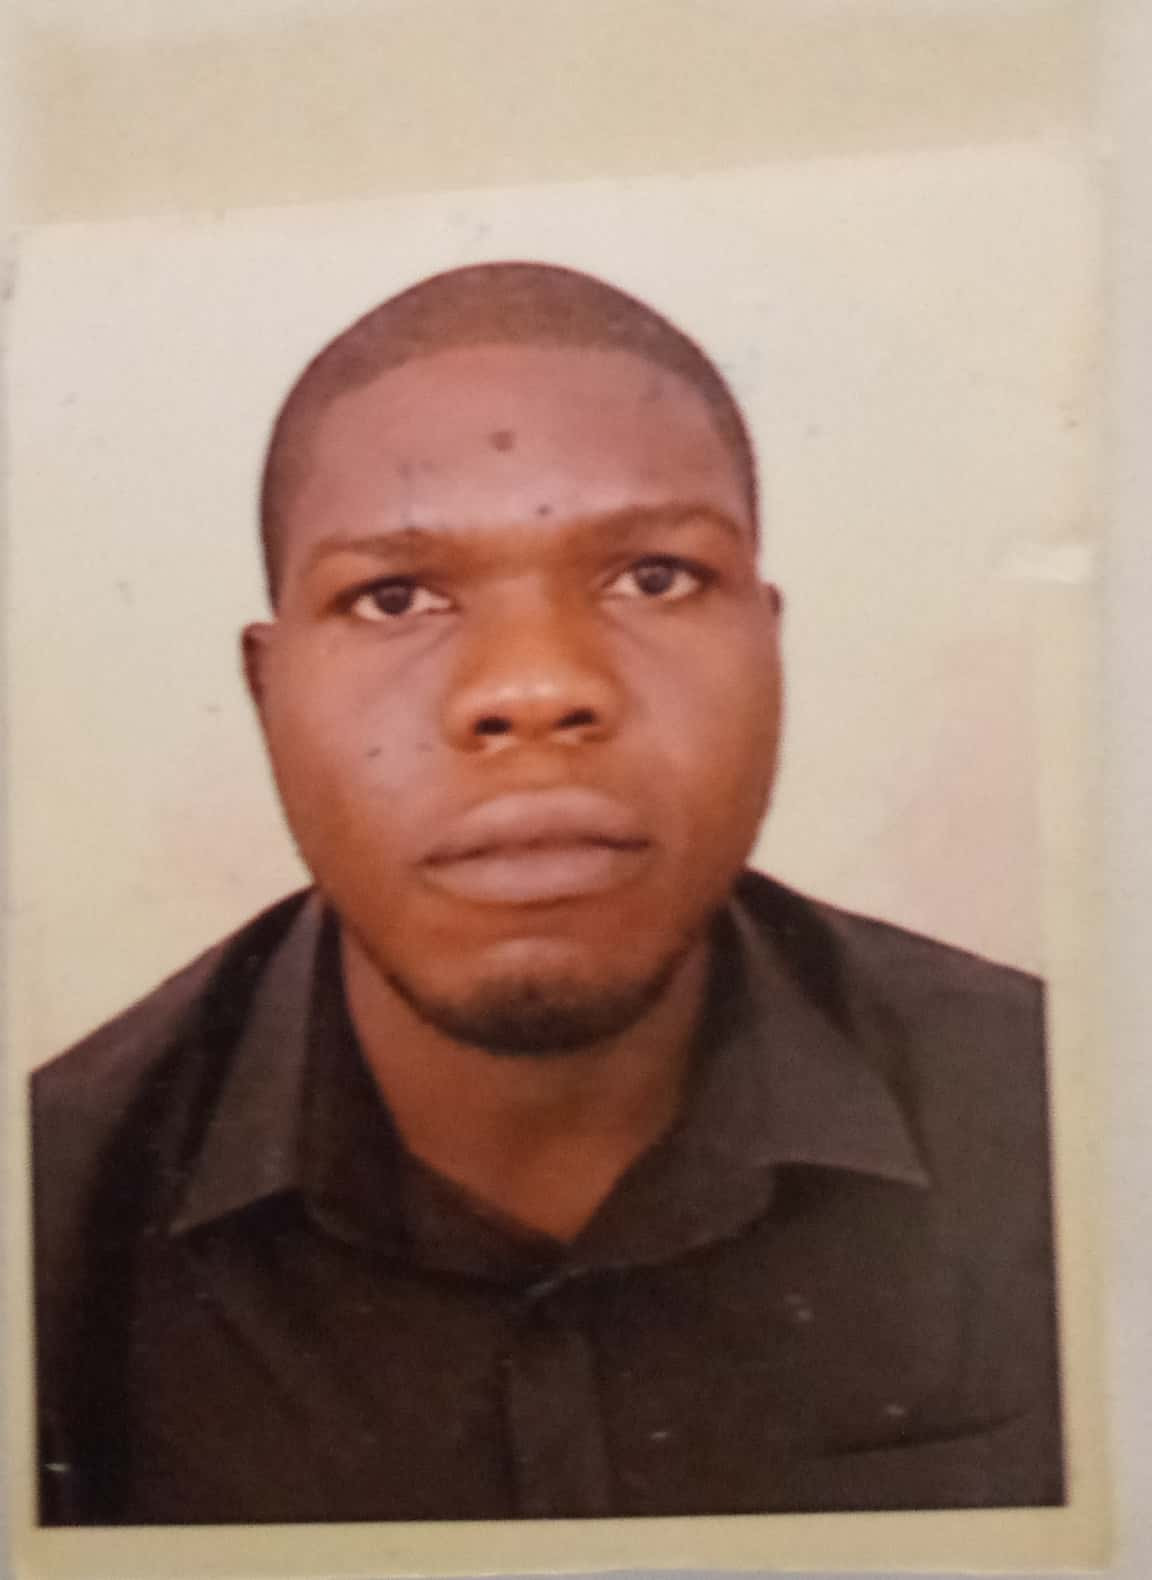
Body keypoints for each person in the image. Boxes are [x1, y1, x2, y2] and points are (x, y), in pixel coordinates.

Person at [31, 262, 1063, 1526]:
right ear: (266, 688)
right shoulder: (45, 1227)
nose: (533, 686)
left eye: (654, 576)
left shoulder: (1077, 1128)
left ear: (770, 639)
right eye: (394, 596)